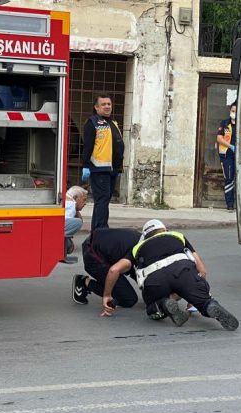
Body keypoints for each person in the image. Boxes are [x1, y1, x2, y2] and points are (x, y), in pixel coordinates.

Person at [101, 219, 239, 330]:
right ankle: (209, 305)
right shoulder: (177, 236)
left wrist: (107, 295)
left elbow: (114, 270)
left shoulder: (137, 248)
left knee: (152, 308)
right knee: (203, 301)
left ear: (144, 236)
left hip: (156, 280)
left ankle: (163, 304)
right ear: (164, 230)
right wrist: (194, 297)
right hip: (183, 272)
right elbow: (202, 270)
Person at [82, 93, 124, 231]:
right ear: (96, 107)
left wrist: (118, 169)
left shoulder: (113, 123)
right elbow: (88, 146)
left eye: (109, 104)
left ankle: (100, 231)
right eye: (103, 104)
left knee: (104, 202)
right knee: (102, 201)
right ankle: (100, 231)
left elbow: (116, 146)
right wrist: (86, 165)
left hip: (112, 170)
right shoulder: (92, 122)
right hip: (99, 170)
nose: (107, 106)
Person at [72, 228, 141, 308]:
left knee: (128, 269)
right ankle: (83, 282)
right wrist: (107, 296)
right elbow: (113, 270)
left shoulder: (145, 240)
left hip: (100, 244)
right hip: (93, 256)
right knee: (128, 299)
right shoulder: (141, 250)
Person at [215, 102, 241, 211]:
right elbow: (219, 138)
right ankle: (230, 204)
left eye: (236, 111)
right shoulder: (224, 123)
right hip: (227, 154)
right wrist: (231, 146)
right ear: (230, 111)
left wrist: (239, 148)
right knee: (229, 178)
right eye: (232, 111)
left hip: (240, 155)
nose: (234, 113)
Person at [63, 186, 88, 262]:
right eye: (84, 200)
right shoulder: (71, 204)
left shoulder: (67, 201)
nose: (85, 203)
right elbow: (65, 221)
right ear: (76, 197)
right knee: (78, 222)